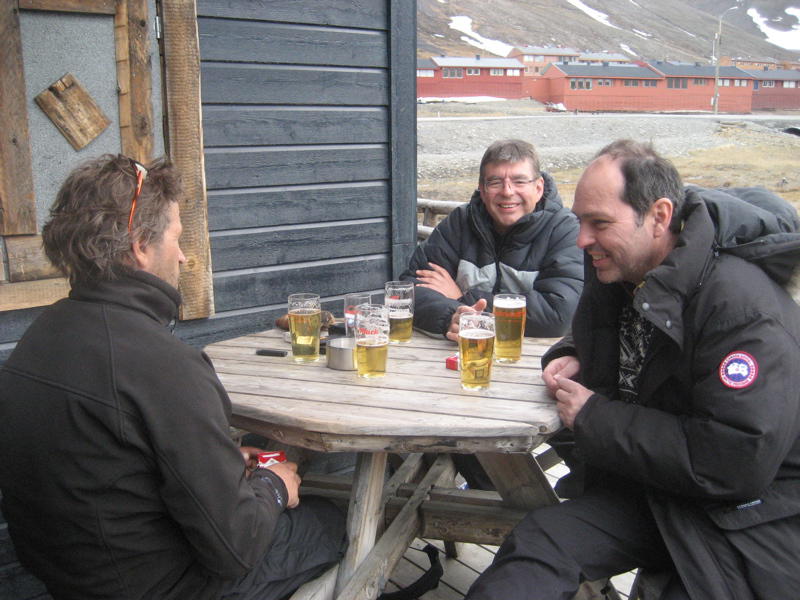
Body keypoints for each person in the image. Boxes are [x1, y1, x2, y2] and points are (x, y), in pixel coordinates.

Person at [465, 139, 800, 600]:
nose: (582, 238)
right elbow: (625, 337)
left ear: (660, 216)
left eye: (599, 223)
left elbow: (734, 461)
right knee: (538, 543)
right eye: (581, 220)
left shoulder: (743, 312)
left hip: (746, 516)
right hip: (653, 489)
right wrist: (574, 352)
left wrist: (593, 416)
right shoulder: (627, 270)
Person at [0, 155, 346, 600]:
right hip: (164, 587)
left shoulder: (39, 338)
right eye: (177, 238)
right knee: (328, 521)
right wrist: (274, 484)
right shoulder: (165, 365)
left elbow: (113, 466)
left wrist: (227, 459)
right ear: (141, 246)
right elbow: (236, 548)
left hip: (72, 579)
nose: (183, 256)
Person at [402, 139, 583, 342]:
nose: (507, 192)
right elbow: (409, 291)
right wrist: (451, 316)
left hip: (539, 364)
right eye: (495, 182)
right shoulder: (460, 223)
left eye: (519, 181)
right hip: (460, 358)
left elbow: (558, 315)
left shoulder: (564, 229)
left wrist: (462, 297)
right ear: (482, 188)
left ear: (539, 188)